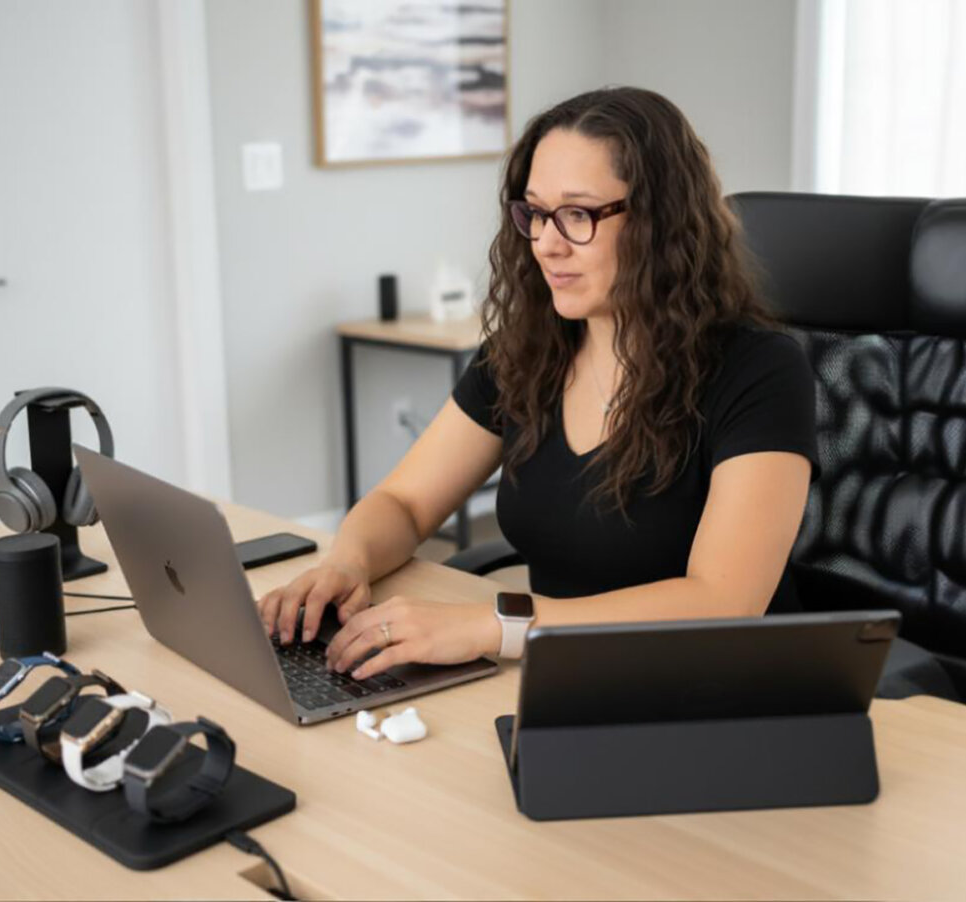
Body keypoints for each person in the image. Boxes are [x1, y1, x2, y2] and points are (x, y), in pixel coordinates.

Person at [257, 86, 819, 680]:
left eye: (578, 214)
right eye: (536, 213)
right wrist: (349, 562)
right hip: (564, 679)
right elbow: (405, 501)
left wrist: (493, 624)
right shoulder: (527, 353)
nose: (547, 244)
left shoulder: (759, 370)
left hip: (711, 691)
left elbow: (722, 603)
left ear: (662, 221)